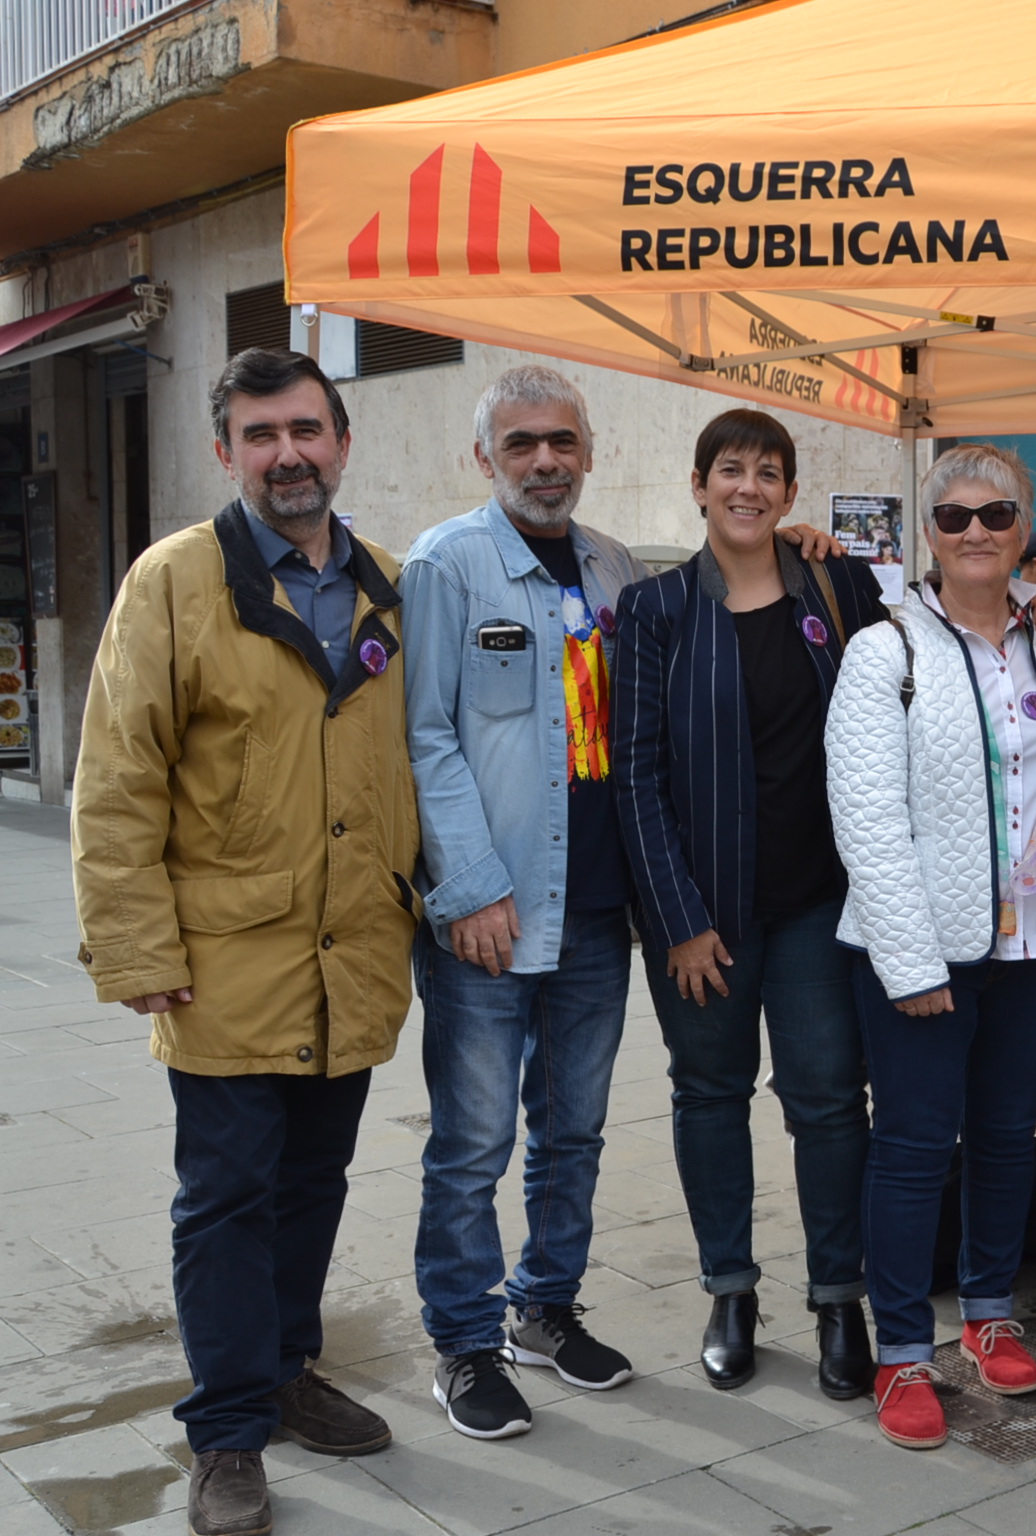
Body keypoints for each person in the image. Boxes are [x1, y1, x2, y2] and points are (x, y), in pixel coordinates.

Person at [72, 349, 416, 1536]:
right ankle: (225, 1432)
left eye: (307, 430)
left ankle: (285, 1367)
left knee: (313, 1185)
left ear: (341, 440)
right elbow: (116, 781)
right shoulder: (172, 583)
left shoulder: (386, 582)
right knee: (226, 1199)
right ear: (226, 452)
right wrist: (135, 949)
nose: (288, 455)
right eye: (261, 435)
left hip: (352, 954)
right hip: (222, 966)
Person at [612, 409, 887, 1396]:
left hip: (820, 903)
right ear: (698, 485)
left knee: (825, 1100)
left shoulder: (840, 586)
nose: (749, 487)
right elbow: (633, 777)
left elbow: (904, 701)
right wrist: (679, 920)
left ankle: (837, 1300)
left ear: (789, 492)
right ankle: (730, 1289)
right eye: (730, 470)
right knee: (709, 1095)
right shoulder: (654, 611)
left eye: (769, 472)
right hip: (706, 918)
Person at [400, 366, 651, 1439]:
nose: (544, 461)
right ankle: (464, 1344)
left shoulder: (618, 570)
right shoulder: (447, 566)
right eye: (521, 445)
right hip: (488, 915)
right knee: (471, 1143)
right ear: (485, 459)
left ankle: (545, 1305)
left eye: (561, 442)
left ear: (587, 452)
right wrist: (468, 886)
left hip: (597, 910)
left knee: (576, 1132)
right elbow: (422, 736)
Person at [826, 443, 1036, 1451]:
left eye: (996, 514)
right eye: (954, 517)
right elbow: (867, 818)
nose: (976, 531)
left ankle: (987, 1313)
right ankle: (901, 1352)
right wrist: (910, 959)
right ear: (928, 534)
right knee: (911, 1148)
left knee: (1009, 1136)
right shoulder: (883, 652)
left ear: (1024, 527)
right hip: (923, 950)